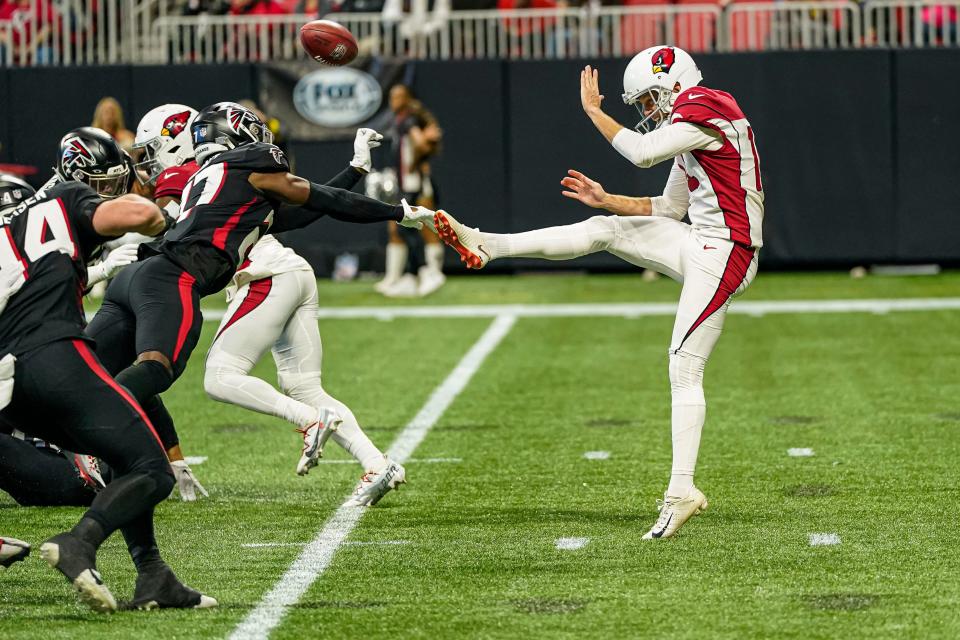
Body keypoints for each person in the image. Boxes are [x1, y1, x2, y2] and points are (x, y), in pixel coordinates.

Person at [434, 46, 764, 540]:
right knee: (604, 226)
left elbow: (641, 151)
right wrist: (608, 199)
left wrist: (594, 111)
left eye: (651, 98)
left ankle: (682, 491)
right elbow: (667, 208)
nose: (648, 111)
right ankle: (488, 243)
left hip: (728, 252)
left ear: (675, 84)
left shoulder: (707, 104)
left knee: (683, 363)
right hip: (702, 241)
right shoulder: (695, 128)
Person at [85, 102, 434, 479]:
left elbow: (307, 207)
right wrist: (395, 211)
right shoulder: (242, 166)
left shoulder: (211, 175)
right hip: (179, 276)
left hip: (141, 276)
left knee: (99, 365)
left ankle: (101, 442)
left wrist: (355, 172)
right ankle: (93, 441)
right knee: (170, 373)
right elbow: (316, 199)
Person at [0, 155, 215, 610]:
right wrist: (161, 222)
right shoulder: (61, 199)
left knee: (123, 453)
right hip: (52, 354)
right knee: (152, 468)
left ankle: (154, 575)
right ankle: (80, 542)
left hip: (8, 389)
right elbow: (138, 213)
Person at [204, 127, 406, 504]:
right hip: (294, 272)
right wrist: (357, 168)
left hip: (266, 275)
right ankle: (377, 464)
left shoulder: (200, 178)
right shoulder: (233, 183)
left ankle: (309, 420)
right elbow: (304, 211)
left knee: (219, 377)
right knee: (305, 388)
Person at [377, 84, 446, 298]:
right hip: (404, 183)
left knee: (422, 227)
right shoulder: (401, 121)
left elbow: (423, 144)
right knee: (399, 228)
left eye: (398, 97)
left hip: (414, 183)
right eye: (391, 97)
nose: (393, 101)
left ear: (407, 99)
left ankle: (430, 273)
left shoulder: (409, 120)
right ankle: (402, 276)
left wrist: (415, 165)